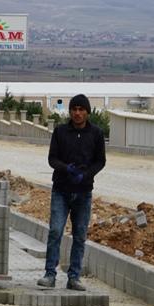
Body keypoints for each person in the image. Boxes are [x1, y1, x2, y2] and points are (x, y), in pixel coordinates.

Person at [38, 94, 105, 291]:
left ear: (87, 112)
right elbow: (52, 159)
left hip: (83, 192)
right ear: (70, 111)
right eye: (74, 109)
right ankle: (50, 273)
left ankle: (74, 277)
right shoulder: (60, 132)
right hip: (61, 190)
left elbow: (100, 161)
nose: (77, 113)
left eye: (81, 109)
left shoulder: (96, 134)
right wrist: (66, 169)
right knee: (56, 230)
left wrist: (86, 175)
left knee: (79, 235)